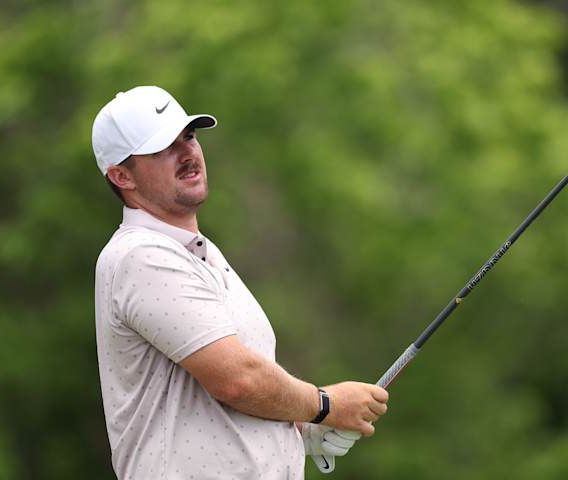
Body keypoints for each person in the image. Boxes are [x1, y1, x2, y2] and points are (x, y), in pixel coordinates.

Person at [92, 86, 389, 479]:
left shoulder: (202, 253)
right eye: (162, 147)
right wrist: (325, 404)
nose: (187, 152)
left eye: (189, 136)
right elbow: (238, 380)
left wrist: (302, 426)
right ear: (121, 176)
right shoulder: (141, 255)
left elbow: (233, 397)